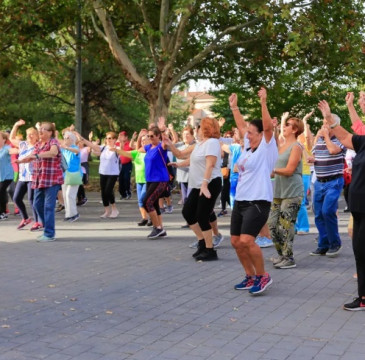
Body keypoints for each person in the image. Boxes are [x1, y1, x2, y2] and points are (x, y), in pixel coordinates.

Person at [229, 88, 278, 295]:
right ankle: (249, 276)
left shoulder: (267, 146)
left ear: (260, 134)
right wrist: (234, 107)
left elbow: (267, 127)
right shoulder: (248, 148)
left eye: (251, 132)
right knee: (235, 241)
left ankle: (262, 275)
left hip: (258, 201)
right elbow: (241, 126)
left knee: (248, 240)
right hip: (241, 200)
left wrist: (263, 102)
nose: (246, 134)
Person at [318, 98, 365, 311]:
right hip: (359, 208)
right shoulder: (364, 141)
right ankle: (363, 297)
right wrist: (329, 118)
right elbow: (345, 136)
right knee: (360, 251)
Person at [165, 117, 222, 261]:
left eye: (200, 127)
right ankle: (202, 242)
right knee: (188, 212)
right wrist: (170, 146)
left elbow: (210, 164)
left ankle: (210, 250)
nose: (197, 130)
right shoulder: (199, 144)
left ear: (206, 129)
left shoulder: (212, 143)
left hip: (209, 184)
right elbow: (182, 156)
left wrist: (204, 184)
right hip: (198, 185)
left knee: (202, 216)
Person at [307, 112, 346, 257]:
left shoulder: (340, 140)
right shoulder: (320, 140)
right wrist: (313, 159)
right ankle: (323, 245)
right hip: (319, 182)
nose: (323, 126)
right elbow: (317, 155)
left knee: (327, 211)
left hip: (333, 181)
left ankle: (335, 243)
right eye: (323, 123)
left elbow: (333, 150)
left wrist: (327, 136)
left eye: (326, 124)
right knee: (318, 214)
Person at [268, 115, 304, 269]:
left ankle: (289, 258)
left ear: (295, 130)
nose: (285, 126)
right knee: (272, 225)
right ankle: (281, 255)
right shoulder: (281, 146)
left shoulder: (296, 146)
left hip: (292, 191)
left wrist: (273, 170)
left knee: (286, 226)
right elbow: (272, 141)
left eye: (288, 124)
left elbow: (289, 170)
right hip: (279, 192)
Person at [18, 122, 64, 242]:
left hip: (52, 179)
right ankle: (46, 226)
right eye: (40, 130)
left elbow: (53, 153)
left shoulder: (53, 142)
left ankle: (49, 234)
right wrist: (22, 161)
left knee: (48, 206)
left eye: (43, 130)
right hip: (39, 179)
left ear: (50, 132)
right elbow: (32, 156)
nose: (40, 131)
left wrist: (37, 156)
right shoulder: (39, 144)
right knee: (37, 205)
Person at [10, 120, 42, 230]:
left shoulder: (39, 146)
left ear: (37, 136)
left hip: (33, 176)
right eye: (28, 134)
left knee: (32, 200)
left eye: (32, 134)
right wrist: (16, 125)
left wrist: (38, 127)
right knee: (16, 198)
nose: (29, 136)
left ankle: (38, 221)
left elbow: (43, 138)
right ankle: (25, 218)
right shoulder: (23, 145)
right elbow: (11, 138)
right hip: (23, 177)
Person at [138, 126, 169, 239]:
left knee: (147, 201)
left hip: (160, 179)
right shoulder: (149, 147)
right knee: (154, 204)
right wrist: (139, 137)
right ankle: (160, 228)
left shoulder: (161, 146)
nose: (150, 138)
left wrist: (163, 130)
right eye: (148, 136)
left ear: (157, 136)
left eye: (152, 136)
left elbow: (166, 141)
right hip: (150, 180)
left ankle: (158, 228)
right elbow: (137, 149)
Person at [80, 132, 120, 218]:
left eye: (110, 138)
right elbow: (92, 146)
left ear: (114, 140)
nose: (108, 140)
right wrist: (82, 139)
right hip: (103, 172)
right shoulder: (103, 148)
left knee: (108, 191)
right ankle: (107, 211)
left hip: (112, 173)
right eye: (107, 138)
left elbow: (123, 151)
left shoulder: (117, 148)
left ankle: (114, 209)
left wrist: (116, 150)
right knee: (103, 192)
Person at [118, 131, 151, 226]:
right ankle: (144, 218)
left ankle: (152, 218)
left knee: (144, 199)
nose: (144, 142)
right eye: (142, 140)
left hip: (148, 180)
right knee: (140, 200)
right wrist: (116, 150)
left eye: (146, 140)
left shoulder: (151, 152)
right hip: (139, 179)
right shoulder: (137, 153)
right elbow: (125, 153)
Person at [61, 131, 82, 222]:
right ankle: (68, 214)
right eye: (64, 138)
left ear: (72, 140)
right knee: (65, 195)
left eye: (67, 138)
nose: (65, 140)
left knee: (70, 194)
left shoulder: (75, 148)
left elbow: (77, 151)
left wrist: (67, 147)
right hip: (64, 175)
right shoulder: (63, 149)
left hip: (74, 175)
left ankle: (74, 214)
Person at [0, 132, 16, 220]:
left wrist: (19, 150)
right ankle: (3, 211)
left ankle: (2, 213)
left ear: (4, 140)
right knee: (1, 192)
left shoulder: (7, 148)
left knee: (1, 191)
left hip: (7, 175)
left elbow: (13, 151)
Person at [117, 131, 133, 200]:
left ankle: (128, 192)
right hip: (120, 164)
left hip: (127, 164)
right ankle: (122, 194)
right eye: (120, 136)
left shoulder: (129, 144)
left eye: (122, 136)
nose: (120, 137)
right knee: (120, 179)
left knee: (126, 178)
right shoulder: (117, 144)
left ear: (126, 137)